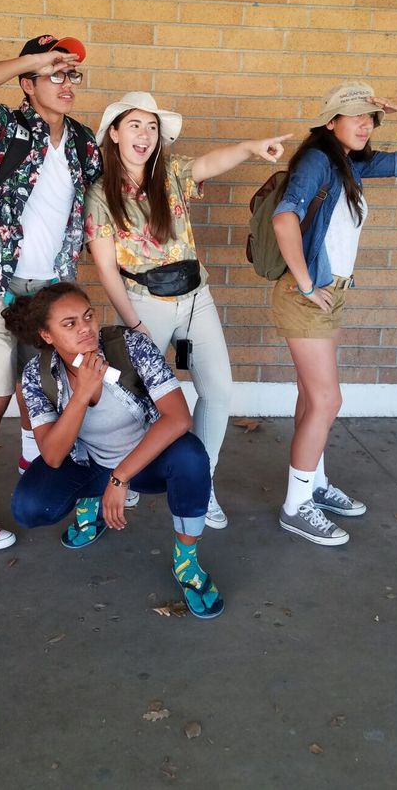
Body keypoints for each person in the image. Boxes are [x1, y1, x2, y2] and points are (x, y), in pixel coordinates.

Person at [84, 92, 289, 530]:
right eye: (135, 125)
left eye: (152, 127)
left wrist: (252, 147)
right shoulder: (101, 193)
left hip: (197, 299)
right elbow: (106, 268)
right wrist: (135, 325)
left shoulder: (170, 174)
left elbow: (212, 163)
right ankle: (130, 474)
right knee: (136, 400)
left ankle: (203, 484)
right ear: (115, 133)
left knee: (217, 390)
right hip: (142, 303)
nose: (145, 134)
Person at [0, 34, 102, 551]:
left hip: (49, 291)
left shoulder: (81, 141)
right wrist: (31, 60)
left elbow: (107, 197)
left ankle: (34, 461)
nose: (66, 82)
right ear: (28, 83)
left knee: (40, 381)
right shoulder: (8, 128)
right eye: (55, 72)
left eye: (71, 73)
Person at [271, 81, 397, 546]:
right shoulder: (317, 160)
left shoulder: (351, 163)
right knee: (327, 401)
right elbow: (285, 218)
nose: (366, 123)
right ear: (330, 122)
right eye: (356, 115)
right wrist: (306, 283)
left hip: (330, 294)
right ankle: (296, 505)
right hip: (307, 296)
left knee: (311, 396)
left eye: (371, 117)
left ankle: (313, 485)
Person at [3, 283, 224, 619]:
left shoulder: (130, 347)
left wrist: (120, 478)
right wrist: (81, 395)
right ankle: (91, 500)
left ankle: (187, 562)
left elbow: (178, 418)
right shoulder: (38, 374)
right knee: (30, 507)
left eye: (88, 316)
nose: (85, 329)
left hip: (146, 465)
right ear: (47, 336)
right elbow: (51, 455)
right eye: (69, 324)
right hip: (89, 463)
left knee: (191, 456)